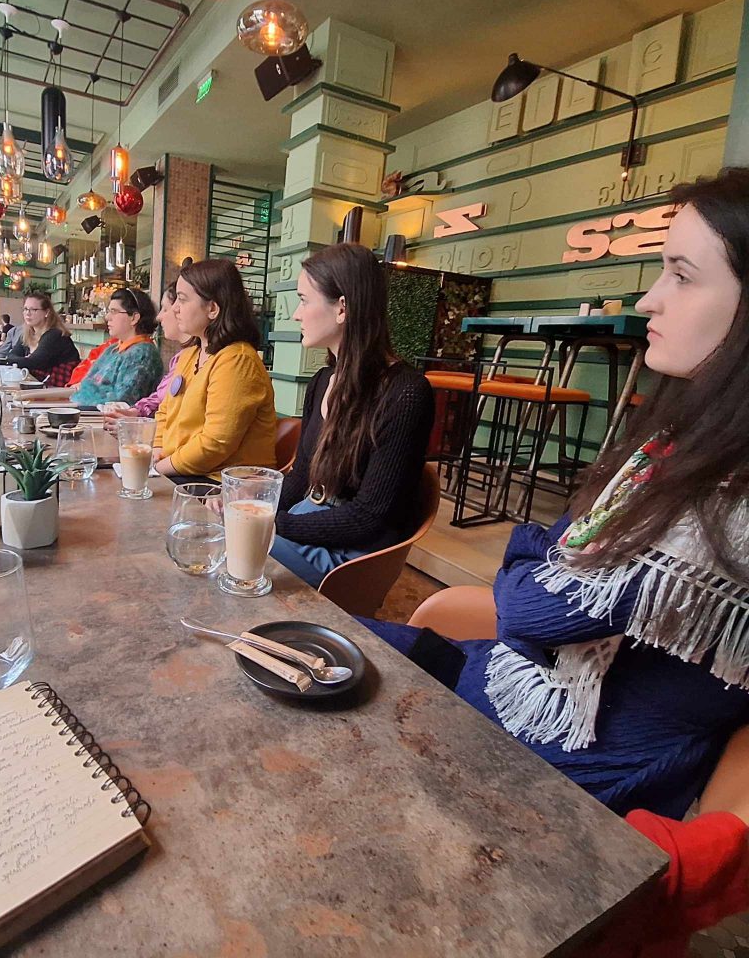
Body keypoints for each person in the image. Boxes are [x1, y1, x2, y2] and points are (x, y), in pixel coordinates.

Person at [359, 169, 749, 820]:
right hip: (515, 685)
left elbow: (530, 608)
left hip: (558, 768)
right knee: (296, 646)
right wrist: (542, 556)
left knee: (312, 666)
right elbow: (549, 564)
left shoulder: (728, 501)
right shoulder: (676, 448)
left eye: (681, 275)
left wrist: (535, 554)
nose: (648, 301)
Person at [269, 243, 435, 589]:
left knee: (239, 544)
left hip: (352, 553)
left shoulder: (406, 392)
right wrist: (251, 507)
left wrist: (271, 525)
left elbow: (369, 518)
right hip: (311, 524)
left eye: (304, 301)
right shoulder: (322, 381)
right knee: (227, 533)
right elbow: (301, 477)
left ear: (342, 308)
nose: (296, 315)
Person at [153, 259, 276, 481]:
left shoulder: (237, 360)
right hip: (183, 470)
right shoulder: (191, 354)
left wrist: (158, 469)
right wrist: (157, 451)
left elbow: (216, 443)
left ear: (212, 308)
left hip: (223, 482)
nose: (175, 309)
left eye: (182, 299)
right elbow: (165, 412)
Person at [103, 282, 187, 430]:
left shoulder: (143, 354)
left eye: (165, 309)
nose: (159, 317)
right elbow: (160, 400)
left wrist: (140, 426)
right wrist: (137, 412)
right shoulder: (182, 357)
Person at [70, 289, 163, 406]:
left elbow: (121, 401)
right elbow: (87, 383)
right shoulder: (113, 349)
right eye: (109, 311)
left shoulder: (143, 355)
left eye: (114, 311)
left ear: (134, 318)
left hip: (104, 416)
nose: (107, 317)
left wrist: (83, 393)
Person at [3, 291, 80, 386]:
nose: (28, 313)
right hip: (41, 387)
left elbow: (35, 362)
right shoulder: (27, 334)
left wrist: (22, 360)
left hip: (61, 389)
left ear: (46, 312)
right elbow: (11, 355)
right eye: (25, 309)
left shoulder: (55, 334)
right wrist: (22, 360)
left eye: (33, 310)